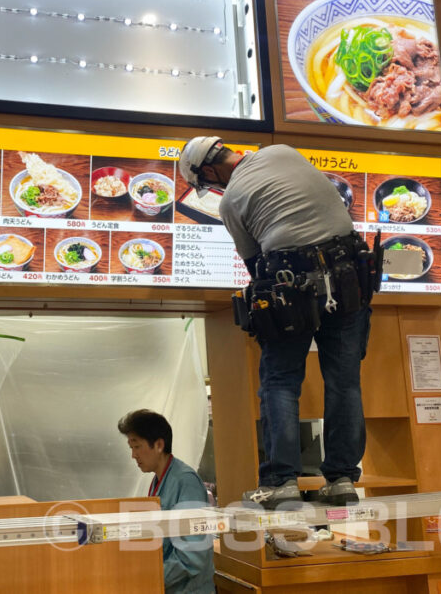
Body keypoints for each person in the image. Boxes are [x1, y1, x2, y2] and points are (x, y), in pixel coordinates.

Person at [177, 137, 376, 510]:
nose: (214, 188)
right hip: (350, 272)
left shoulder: (230, 200)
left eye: (209, 183)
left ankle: (280, 481)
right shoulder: (283, 151)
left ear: (209, 170)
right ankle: (343, 479)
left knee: (281, 381)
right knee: (344, 379)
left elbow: (255, 266)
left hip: (292, 281)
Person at [118, 409, 214, 594]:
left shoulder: (185, 481)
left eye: (137, 447)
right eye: (131, 448)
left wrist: (148, 580)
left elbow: (192, 555)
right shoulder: (159, 480)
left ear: (159, 444)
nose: (133, 455)